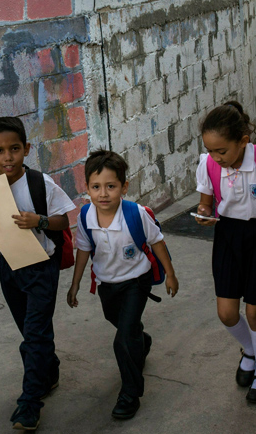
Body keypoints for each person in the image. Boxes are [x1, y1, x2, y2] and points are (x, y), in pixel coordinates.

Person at [0, 117, 76, 431]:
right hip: (10, 268)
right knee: (32, 333)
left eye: (14, 149)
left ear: (26, 149)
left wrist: (38, 221)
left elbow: (63, 222)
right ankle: (50, 370)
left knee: (34, 337)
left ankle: (29, 404)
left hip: (42, 267)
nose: (8, 157)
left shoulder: (41, 183)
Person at [192, 102, 256, 405]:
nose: (216, 157)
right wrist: (203, 213)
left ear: (243, 141)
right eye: (211, 151)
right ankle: (250, 350)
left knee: (254, 311)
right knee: (226, 312)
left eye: (222, 151)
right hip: (227, 236)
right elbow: (206, 202)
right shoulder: (209, 164)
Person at [67, 150, 178, 421]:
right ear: (87, 189)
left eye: (110, 186)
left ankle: (130, 393)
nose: (103, 194)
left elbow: (157, 242)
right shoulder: (85, 218)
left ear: (123, 187)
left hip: (135, 283)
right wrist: (75, 284)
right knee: (118, 322)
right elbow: (82, 250)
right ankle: (141, 339)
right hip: (107, 284)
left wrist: (171, 274)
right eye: (96, 187)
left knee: (122, 340)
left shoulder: (136, 214)